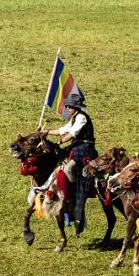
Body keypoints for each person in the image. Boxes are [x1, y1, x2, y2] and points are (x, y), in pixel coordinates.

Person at [44, 93, 98, 234]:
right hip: (75, 148)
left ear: (76, 107)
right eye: (67, 106)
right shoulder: (74, 118)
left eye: (70, 106)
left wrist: (61, 141)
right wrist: (46, 132)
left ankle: (73, 190)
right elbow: (63, 130)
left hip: (85, 150)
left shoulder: (81, 117)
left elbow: (72, 134)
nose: (67, 108)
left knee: (68, 169)